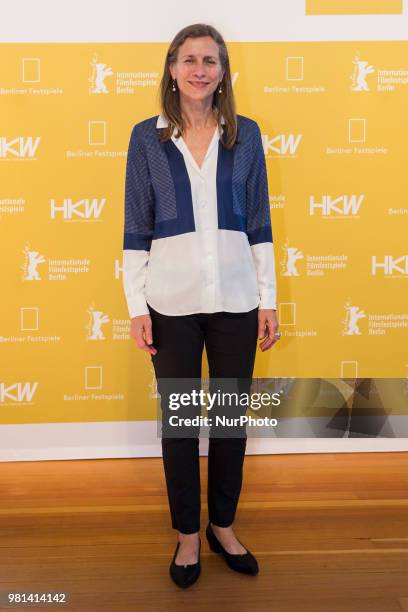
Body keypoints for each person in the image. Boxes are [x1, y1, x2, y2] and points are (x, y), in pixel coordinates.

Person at [122, 23, 280, 589]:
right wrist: (136, 306)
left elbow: (259, 221)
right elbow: (136, 228)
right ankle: (188, 534)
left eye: (210, 60)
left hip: (237, 299)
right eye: (189, 59)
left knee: (231, 420)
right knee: (183, 423)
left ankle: (223, 526)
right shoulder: (148, 138)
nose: (199, 69)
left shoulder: (246, 135)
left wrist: (269, 298)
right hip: (170, 302)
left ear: (222, 72)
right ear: (172, 68)